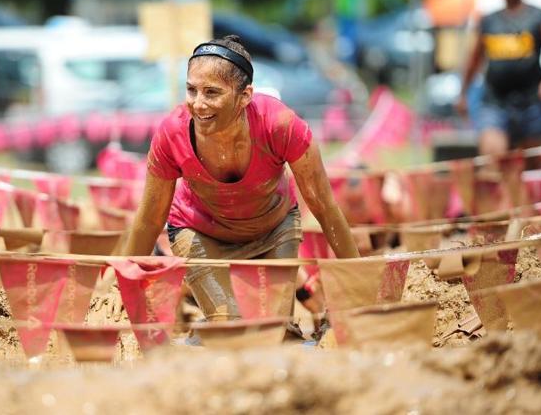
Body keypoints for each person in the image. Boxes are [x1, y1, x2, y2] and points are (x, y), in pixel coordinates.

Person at [117, 35, 360, 322]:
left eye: (212, 92)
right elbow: (149, 220)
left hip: (274, 228)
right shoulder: (172, 133)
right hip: (199, 232)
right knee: (229, 327)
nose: (198, 104)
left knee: (274, 330)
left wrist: (357, 282)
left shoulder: (280, 125)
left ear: (244, 96)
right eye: (191, 90)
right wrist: (126, 287)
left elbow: (324, 206)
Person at [456, 0, 541, 156]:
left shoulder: (539, 16)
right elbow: (474, 60)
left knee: (532, 166)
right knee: (492, 157)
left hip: (530, 103)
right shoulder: (489, 21)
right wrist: (463, 93)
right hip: (495, 103)